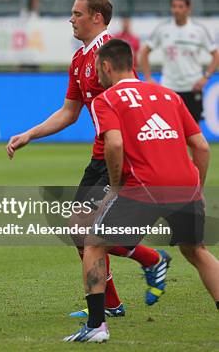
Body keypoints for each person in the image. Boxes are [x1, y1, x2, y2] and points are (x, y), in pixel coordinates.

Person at [6, 0, 169, 318]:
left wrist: (129, 160)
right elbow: (69, 112)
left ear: (97, 17)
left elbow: (130, 102)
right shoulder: (81, 58)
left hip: (121, 155)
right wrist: (30, 135)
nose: (71, 19)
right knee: (79, 230)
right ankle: (116, 298)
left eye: (77, 14)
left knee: (89, 229)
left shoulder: (111, 56)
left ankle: (147, 264)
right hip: (99, 157)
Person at [65, 38, 219, 342]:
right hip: (185, 185)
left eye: (99, 68)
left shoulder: (106, 100)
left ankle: (96, 325)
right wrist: (196, 188)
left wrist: (117, 184)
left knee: (92, 242)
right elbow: (201, 147)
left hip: (143, 186)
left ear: (106, 66)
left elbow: (114, 143)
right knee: (197, 252)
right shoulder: (169, 96)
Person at [140, 0, 218, 123]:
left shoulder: (198, 30)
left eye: (180, 6)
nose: (176, 10)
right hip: (169, 88)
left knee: (194, 132)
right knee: (170, 128)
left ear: (188, 9)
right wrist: (148, 78)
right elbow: (144, 52)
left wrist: (206, 77)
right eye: (174, 6)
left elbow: (216, 55)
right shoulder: (163, 29)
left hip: (192, 87)